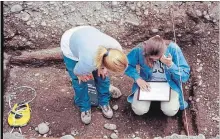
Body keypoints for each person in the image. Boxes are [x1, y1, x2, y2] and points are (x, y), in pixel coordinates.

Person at [60, 26, 128, 124]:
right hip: (70, 42)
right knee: (80, 81)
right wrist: (80, 75)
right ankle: (84, 106)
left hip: (88, 36)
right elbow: (77, 71)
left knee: (103, 76)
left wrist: (103, 68)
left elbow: (104, 60)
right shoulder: (89, 62)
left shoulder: (117, 49)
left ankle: (104, 102)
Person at [125, 35, 190, 116]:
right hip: (147, 83)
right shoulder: (140, 49)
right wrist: (138, 78)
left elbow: (184, 76)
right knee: (139, 110)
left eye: (157, 58)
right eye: (151, 59)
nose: (154, 60)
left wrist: (170, 65)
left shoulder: (173, 49)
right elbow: (126, 64)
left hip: (169, 84)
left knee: (170, 111)